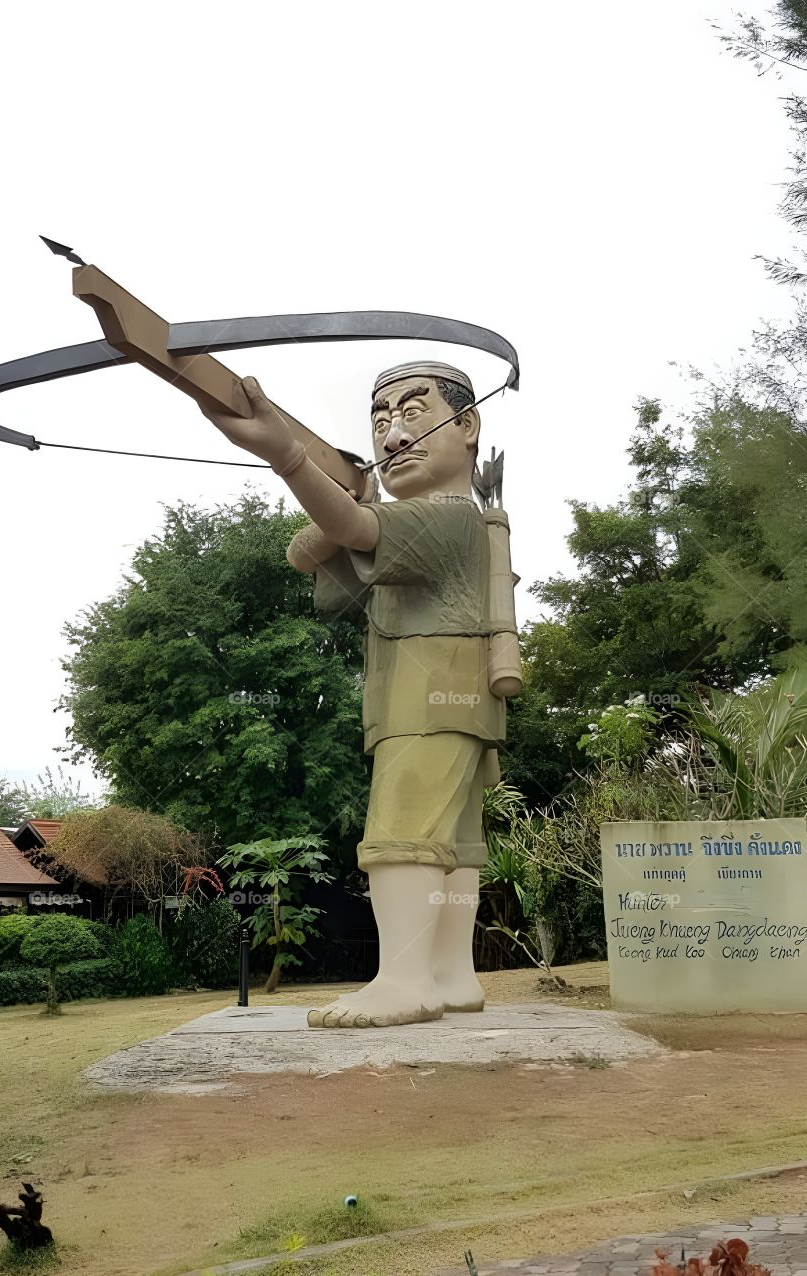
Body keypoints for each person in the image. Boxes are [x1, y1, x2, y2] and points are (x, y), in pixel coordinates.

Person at [203, 361, 506, 1027]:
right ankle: (449, 975)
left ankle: (402, 980)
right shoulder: (452, 518)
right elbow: (306, 552)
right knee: (452, 846)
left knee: (402, 832)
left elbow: (354, 530)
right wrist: (345, 494)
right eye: (381, 422)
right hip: (455, 696)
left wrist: (288, 457)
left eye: (414, 414)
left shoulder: (448, 516)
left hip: (429, 697)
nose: (393, 437)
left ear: (468, 425)